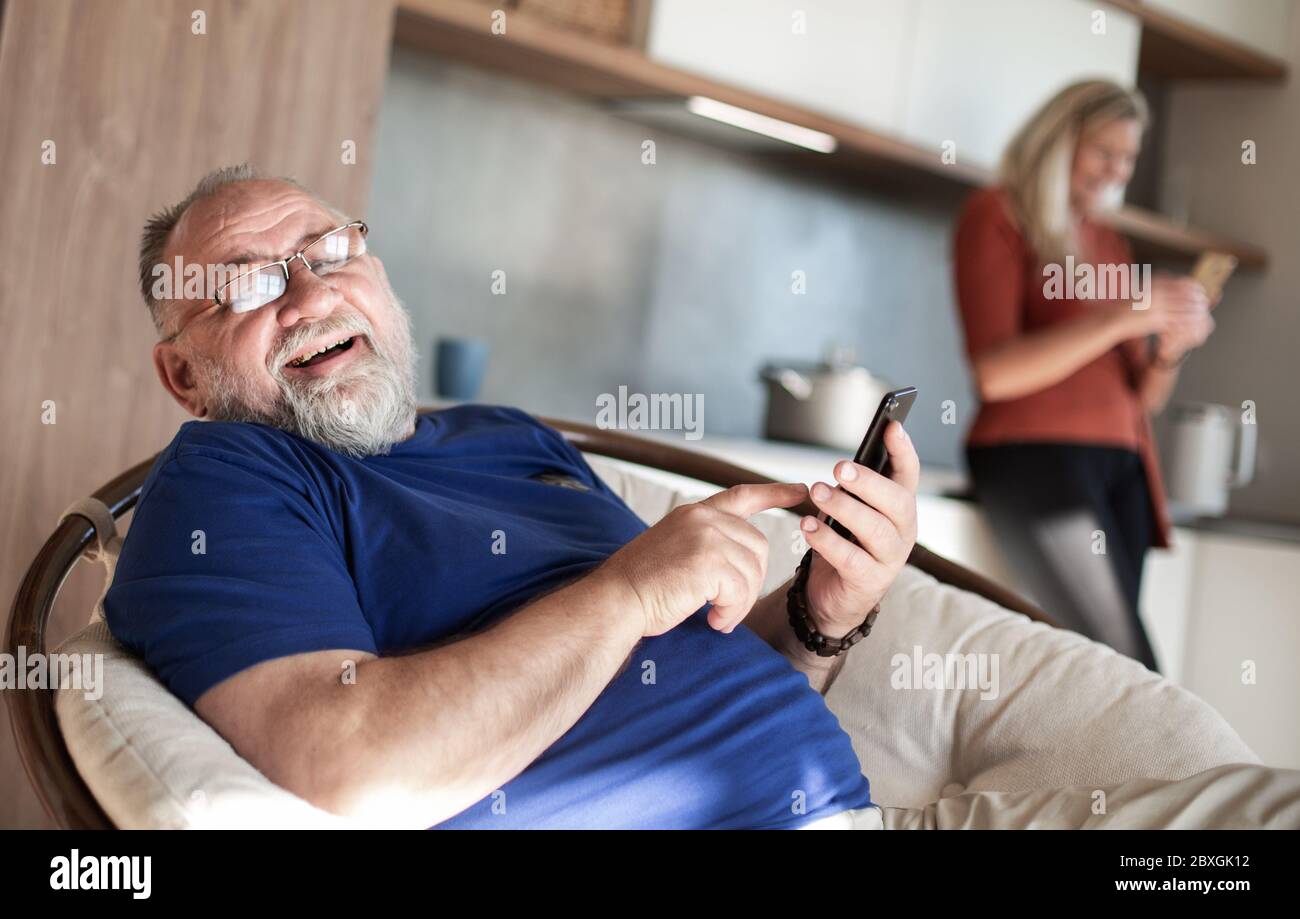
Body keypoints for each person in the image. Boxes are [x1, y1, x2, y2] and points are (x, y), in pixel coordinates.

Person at [953, 80, 1216, 672]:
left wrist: (1169, 347)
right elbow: (994, 373)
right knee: (1133, 669)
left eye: (1128, 158)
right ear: (1059, 138)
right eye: (1104, 152)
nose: (1116, 172)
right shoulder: (997, 214)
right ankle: (1189, 769)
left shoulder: (1108, 241)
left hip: (1123, 466)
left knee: (1109, 679)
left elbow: (1143, 395)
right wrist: (1126, 313)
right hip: (1036, 459)